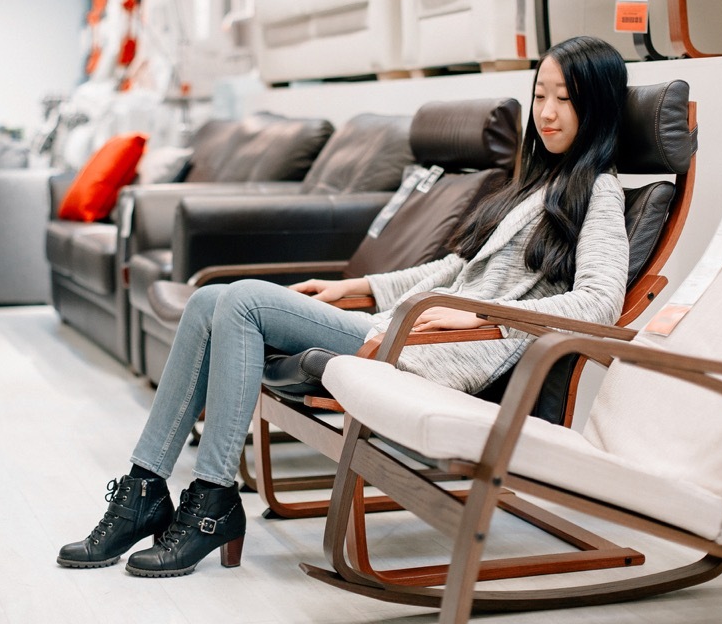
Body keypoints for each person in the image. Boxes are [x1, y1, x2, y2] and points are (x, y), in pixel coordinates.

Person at [56, 34, 631, 578]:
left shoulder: (597, 191)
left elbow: (602, 302)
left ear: (598, 108)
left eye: (566, 99)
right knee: (209, 299)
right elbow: (453, 269)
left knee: (245, 302)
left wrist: (482, 318)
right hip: (402, 324)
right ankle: (144, 488)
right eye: (541, 95)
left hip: (439, 350)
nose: (548, 112)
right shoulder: (532, 183)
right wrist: (355, 288)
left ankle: (211, 500)